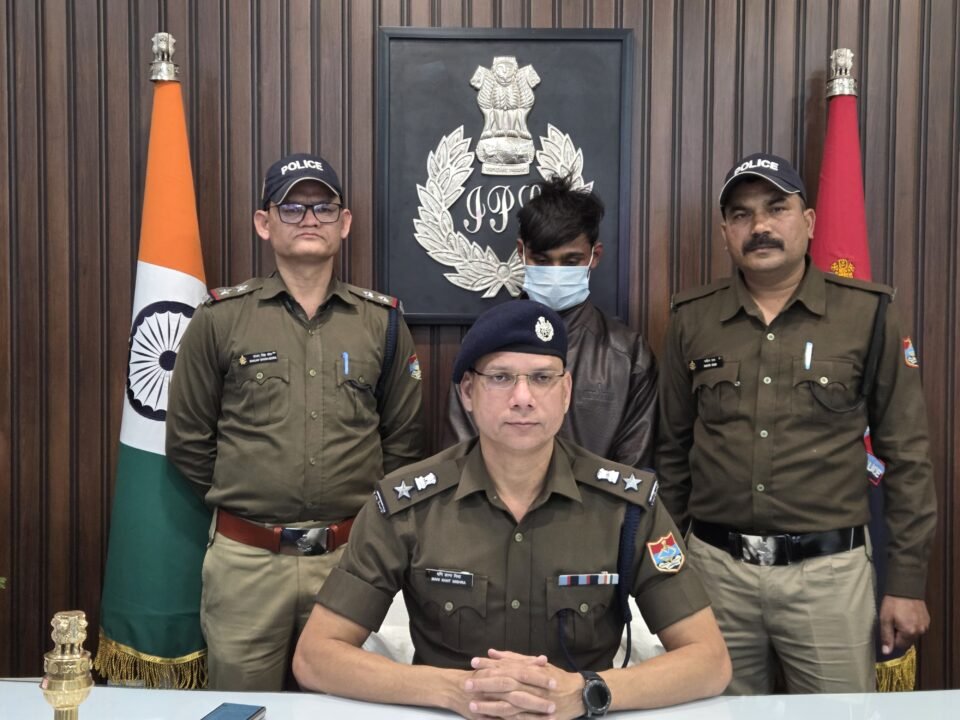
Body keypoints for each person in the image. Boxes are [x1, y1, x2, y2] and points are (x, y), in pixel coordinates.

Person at [293, 300, 730, 718]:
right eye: (501, 377)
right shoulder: (407, 505)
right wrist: (454, 690)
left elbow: (709, 660)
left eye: (542, 378)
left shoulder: (625, 507)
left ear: (566, 391)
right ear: (468, 391)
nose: (523, 397)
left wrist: (586, 691)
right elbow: (315, 657)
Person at [656, 152, 937, 694]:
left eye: (776, 208)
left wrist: (906, 582)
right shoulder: (692, 318)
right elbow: (672, 452)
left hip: (827, 577)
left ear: (808, 222)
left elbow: (907, 456)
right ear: (725, 232)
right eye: (741, 215)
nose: (759, 226)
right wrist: (670, 575)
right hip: (715, 575)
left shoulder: (868, 314)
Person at [165, 152, 425, 690]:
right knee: (241, 704)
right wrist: (252, 495)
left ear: (344, 223)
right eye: (291, 207)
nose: (309, 218)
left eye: (323, 207)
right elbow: (188, 441)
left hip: (352, 561)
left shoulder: (382, 322)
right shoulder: (220, 319)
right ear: (264, 223)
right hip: (247, 563)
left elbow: (403, 440)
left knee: (351, 705)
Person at [446, 176, 659, 468]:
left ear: (594, 256)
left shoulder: (628, 353)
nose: (556, 272)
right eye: (543, 261)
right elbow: (461, 456)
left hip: (596, 499)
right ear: (521, 252)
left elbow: (633, 470)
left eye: (571, 262)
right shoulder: (483, 344)